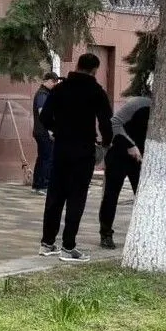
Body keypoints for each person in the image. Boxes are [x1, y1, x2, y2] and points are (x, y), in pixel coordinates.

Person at [39, 52, 113, 261]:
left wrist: (58, 130)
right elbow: (105, 121)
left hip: (61, 148)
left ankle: (47, 243)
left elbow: (44, 117)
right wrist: (106, 143)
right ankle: (68, 247)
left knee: (55, 196)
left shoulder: (60, 89)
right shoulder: (96, 91)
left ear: (78, 65)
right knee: (76, 198)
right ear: (94, 70)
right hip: (83, 150)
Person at [98, 94, 152, 250]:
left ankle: (144, 235)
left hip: (139, 159)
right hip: (118, 154)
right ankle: (106, 234)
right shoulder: (139, 103)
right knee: (111, 196)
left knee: (143, 197)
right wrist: (129, 145)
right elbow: (114, 122)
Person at [32, 73, 60, 194]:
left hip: (41, 131)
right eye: (53, 82)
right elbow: (42, 113)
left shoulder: (45, 93)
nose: (55, 84)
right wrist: (50, 130)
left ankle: (37, 184)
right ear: (46, 80)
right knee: (47, 158)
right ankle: (43, 185)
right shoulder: (43, 94)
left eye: (56, 82)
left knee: (42, 158)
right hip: (44, 132)